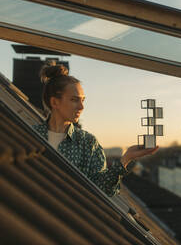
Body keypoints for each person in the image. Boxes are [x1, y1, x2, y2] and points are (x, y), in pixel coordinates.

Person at [33, 61, 158, 197]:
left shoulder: (88, 143)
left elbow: (102, 189)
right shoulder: (30, 135)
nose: (81, 107)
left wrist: (126, 158)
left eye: (83, 100)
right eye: (74, 100)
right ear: (55, 102)